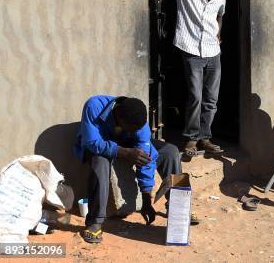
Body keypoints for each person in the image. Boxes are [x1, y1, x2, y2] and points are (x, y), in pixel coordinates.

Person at [144, 0, 225, 158]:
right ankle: (190, 139)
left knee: (211, 99)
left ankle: (205, 137)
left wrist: (219, 33)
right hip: (191, 49)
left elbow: (220, 14)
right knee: (195, 96)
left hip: (213, 51)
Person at [73, 95, 195, 244]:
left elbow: (146, 157)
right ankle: (95, 221)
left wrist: (146, 198)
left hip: (127, 146)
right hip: (101, 146)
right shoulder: (95, 106)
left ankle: (176, 208)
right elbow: (92, 142)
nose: (134, 132)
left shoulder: (139, 124)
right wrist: (124, 152)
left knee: (170, 152)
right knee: (99, 160)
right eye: (130, 129)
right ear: (118, 116)